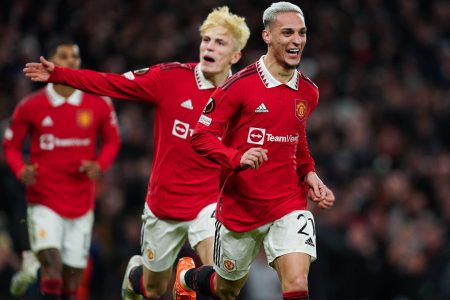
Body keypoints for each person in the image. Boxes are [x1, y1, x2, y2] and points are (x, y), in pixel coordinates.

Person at [23, 6, 250, 300]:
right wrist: (61, 76)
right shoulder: (170, 78)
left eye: (220, 42)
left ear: (235, 56)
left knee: (224, 285)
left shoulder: (242, 98)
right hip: (164, 206)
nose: (209, 46)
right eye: (206, 39)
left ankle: (187, 277)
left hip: (208, 206)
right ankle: (135, 272)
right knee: (153, 289)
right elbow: (112, 83)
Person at [173, 2, 335, 300]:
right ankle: (189, 278)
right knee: (225, 289)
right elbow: (201, 136)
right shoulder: (238, 86)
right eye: (287, 32)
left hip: (288, 202)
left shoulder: (308, 91)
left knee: (297, 281)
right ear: (267, 36)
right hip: (241, 207)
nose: (297, 40)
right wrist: (237, 157)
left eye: (302, 33)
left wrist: (309, 172)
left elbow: (296, 140)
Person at [3, 39, 120, 300]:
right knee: (53, 263)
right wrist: (20, 169)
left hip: (80, 201)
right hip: (44, 198)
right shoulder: (31, 106)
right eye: (64, 56)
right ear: (51, 60)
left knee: (73, 275)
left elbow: (112, 141)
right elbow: (10, 145)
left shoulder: (97, 104)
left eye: (75, 57)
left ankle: (30, 265)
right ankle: (37, 261)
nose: (71, 61)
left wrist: (100, 165)